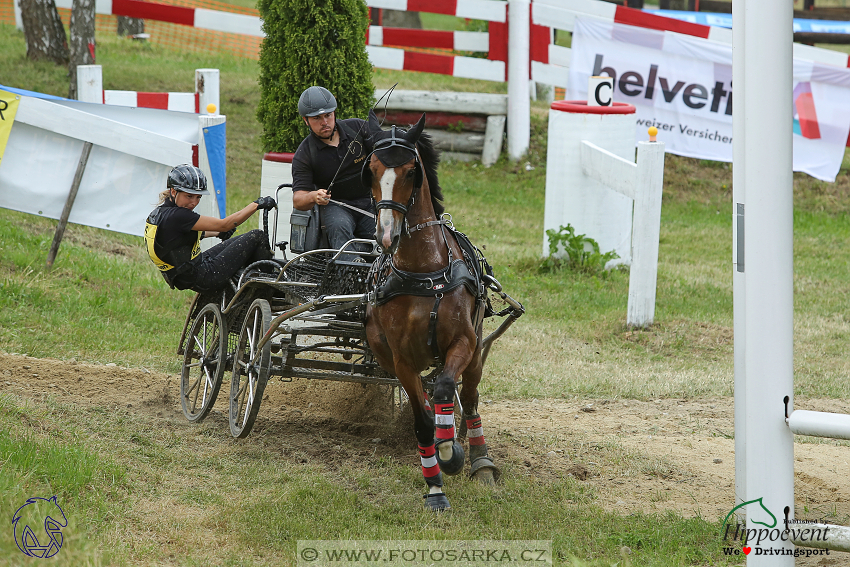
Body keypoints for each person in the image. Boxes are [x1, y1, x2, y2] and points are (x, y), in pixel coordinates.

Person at [144, 164, 277, 292]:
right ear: (173, 191)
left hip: (185, 274)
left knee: (242, 240)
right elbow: (225, 225)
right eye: (189, 196)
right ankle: (270, 288)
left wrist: (217, 233)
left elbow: (179, 239)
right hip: (203, 276)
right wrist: (256, 205)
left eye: (198, 197)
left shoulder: (159, 214)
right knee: (256, 236)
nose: (194, 203)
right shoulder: (179, 216)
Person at [291, 86, 374, 254]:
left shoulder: (358, 128)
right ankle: (349, 271)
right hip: (336, 206)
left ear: (334, 113)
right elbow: (298, 199)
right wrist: (314, 196)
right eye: (317, 118)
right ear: (305, 120)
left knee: (387, 231)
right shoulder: (305, 153)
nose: (325, 122)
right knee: (339, 226)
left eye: (328, 115)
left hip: (369, 201)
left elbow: (385, 152)